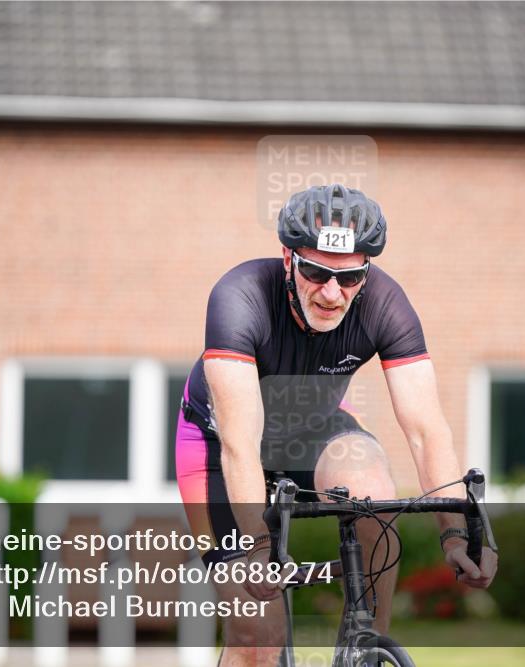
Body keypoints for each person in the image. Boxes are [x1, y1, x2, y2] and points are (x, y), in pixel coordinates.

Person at [175, 184, 498, 666]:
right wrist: (260, 547)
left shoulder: (385, 302)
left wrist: (455, 533)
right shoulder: (239, 296)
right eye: (315, 272)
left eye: (348, 279)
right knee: (259, 631)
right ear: (287, 258)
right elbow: (242, 443)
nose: (331, 293)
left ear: (366, 272)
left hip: (314, 431)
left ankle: (363, 650)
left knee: (373, 493)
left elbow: (426, 430)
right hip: (219, 449)